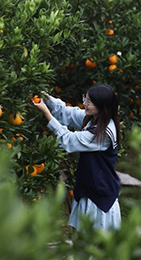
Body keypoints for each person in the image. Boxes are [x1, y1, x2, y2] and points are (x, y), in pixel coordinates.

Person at [32, 83, 121, 231]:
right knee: (84, 240)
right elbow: (69, 113)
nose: (85, 104)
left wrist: (47, 114)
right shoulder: (93, 118)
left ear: (102, 105)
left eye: (89, 102)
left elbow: (69, 140)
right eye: (85, 99)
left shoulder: (105, 133)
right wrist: (49, 99)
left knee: (98, 240)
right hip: (89, 186)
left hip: (100, 193)